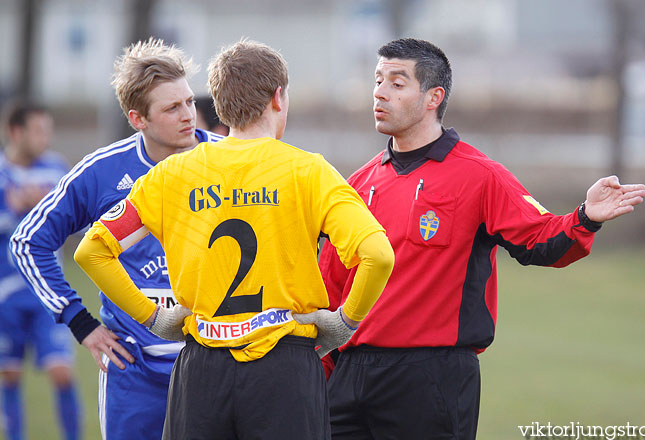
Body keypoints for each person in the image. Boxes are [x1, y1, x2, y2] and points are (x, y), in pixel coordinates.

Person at [317, 38, 645, 440]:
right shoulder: (359, 183)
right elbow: (331, 285)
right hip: (349, 378)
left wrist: (584, 218)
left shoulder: (479, 175)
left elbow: (538, 239)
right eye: (377, 80)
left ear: (433, 97)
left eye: (397, 82)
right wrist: (319, 369)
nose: (380, 92)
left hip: (430, 378)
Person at [73, 38, 394, 440]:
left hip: (201, 367)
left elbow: (92, 251)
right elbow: (378, 255)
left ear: (218, 105)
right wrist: (344, 323)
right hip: (285, 367)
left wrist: (152, 318)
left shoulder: (172, 174)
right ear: (279, 97)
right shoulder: (309, 171)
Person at [9, 39, 224, 440]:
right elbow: (28, 242)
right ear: (137, 118)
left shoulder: (231, 161)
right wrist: (80, 322)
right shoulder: (102, 172)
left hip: (215, 362)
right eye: (172, 108)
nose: (189, 116)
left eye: (188, 103)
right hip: (133, 371)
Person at [0, 102, 80, 440]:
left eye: (48, 130)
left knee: (62, 372)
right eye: (38, 131)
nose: (45, 138)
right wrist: (10, 209)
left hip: (48, 291)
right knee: (9, 376)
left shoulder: (56, 170)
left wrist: (37, 206)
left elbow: (72, 222)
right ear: (16, 132)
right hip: (5, 295)